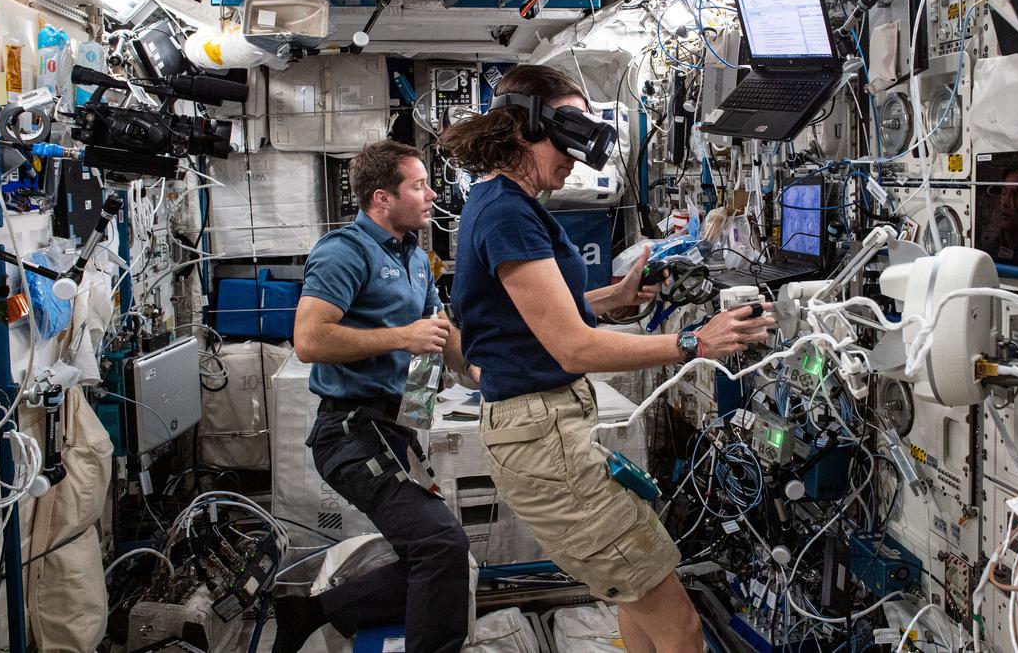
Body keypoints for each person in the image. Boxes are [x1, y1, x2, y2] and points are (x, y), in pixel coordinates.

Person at [441, 65, 775, 653]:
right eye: (567, 133)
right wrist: (695, 343)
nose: (575, 159)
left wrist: (610, 299)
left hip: (549, 433)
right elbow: (571, 345)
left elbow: (523, 315)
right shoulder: (507, 212)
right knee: (679, 623)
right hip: (546, 440)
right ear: (526, 126)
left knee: (631, 592)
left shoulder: (502, 201)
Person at [274, 140, 472, 653]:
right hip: (350, 432)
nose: (432, 195)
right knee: (440, 544)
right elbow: (310, 341)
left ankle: (309, 613)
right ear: (382, 198)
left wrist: (476, 377)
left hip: (393, 428)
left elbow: (435, 334)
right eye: (419, 185)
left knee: (435, 558)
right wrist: (401, 336)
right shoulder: (344, 251)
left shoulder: (416, 257)